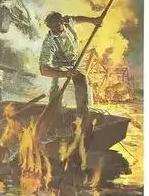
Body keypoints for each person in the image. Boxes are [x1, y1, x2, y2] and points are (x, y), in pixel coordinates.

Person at [38, 11, 102, 140]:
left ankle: (83, 126)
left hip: (74, 63)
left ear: (62, 22)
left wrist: (93, 20)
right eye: (51, 28)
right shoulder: (49, 41)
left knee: (82, 91)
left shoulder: (68, 21)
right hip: (59, 67)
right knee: (56, 97)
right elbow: (43, 70)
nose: (54, 31)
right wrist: (64, 73)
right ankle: (52, 129)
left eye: (56, 26)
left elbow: (77, 18)